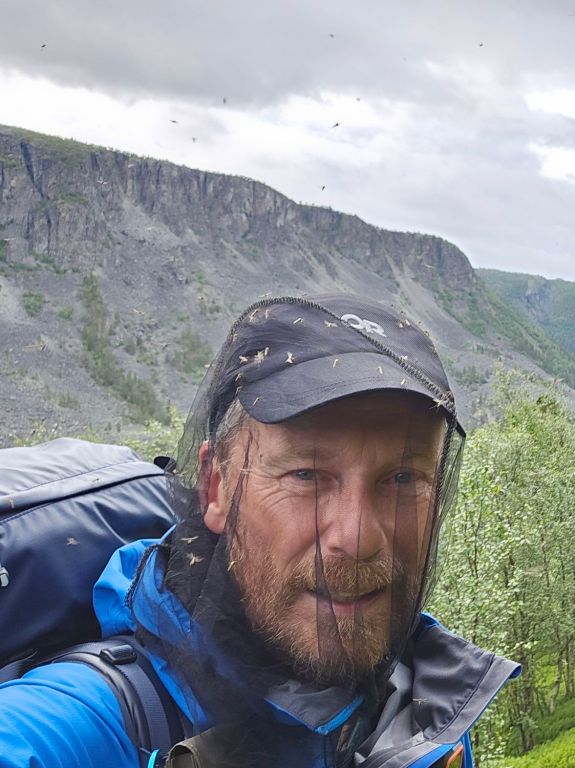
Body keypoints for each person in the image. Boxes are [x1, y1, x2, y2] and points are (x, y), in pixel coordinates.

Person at [0, 293, 519, 768]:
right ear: (216, 487)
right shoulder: (91, 722)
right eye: (306, 475)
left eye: (403, 478)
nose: (358, 538)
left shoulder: (423, 705)